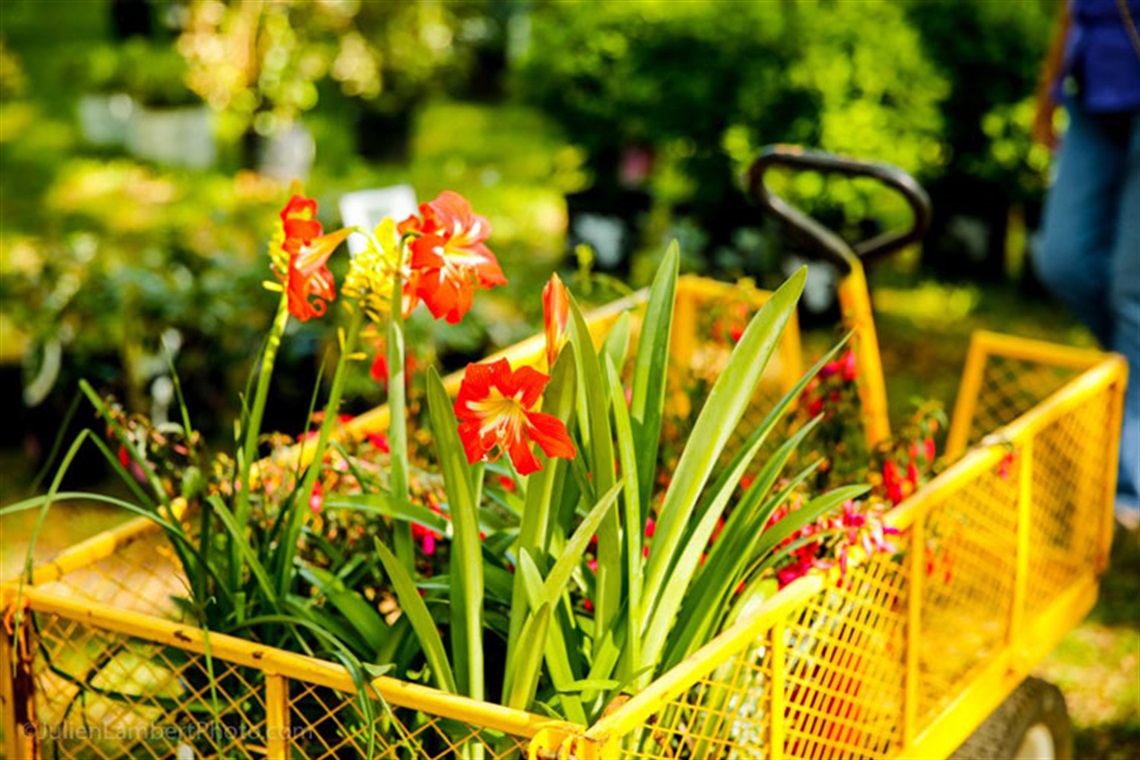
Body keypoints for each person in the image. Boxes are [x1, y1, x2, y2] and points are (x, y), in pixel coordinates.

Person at [1034, 0, 1140, 529]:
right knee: (1063, 260)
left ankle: (1127, 493)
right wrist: (1045, 91)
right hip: (1095, 89)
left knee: (1132, 293)